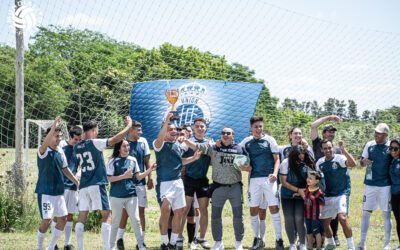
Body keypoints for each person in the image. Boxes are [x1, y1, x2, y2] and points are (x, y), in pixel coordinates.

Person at [184, 126, 252, 250]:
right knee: (215, 217)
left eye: (228, 133)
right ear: (221, 135)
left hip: (235, 187)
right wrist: (185, 140)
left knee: (238, 216)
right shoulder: (213, 147)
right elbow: (196, 147)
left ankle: (238, 242)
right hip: (218, 187)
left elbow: (249, 166)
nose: (225, 135)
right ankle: (218, 242)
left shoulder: (239, 149)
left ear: (233, 136)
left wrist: (246, 168)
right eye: (223, 133)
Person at [74, 116, 133, 250]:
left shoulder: (77, 147)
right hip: (97, 183)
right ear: (94, 130)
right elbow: (116, 139)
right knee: (106, 216)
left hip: (83, 186)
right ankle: (108, 248)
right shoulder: (95, 143)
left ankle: (80, 247)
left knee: (82, 216)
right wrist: (128, 126)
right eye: (97, 130)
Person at [153, 112, 201, 250]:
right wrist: (167, 120)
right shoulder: (159, 144)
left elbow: (180, 162)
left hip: (178, 183)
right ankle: (163, 243)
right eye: (170, 129)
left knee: (179, 212)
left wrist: (194, 158)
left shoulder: (177, 146)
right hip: (164, 183)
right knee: (166, 211)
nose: (173, 131)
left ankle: (173, 243)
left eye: (174, 129)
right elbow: (160, 138)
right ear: (164, 131)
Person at [238, 116, 283, 250]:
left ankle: (279, 239)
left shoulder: (270, 140)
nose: (258, 129)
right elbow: (237, 154)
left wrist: (275, 173)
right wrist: (245, 167)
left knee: (274, 208)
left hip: (269, 179)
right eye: (256, 127)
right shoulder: (246, 142)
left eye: (260, 126)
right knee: (253, 210)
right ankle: (257, 239)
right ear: (251, 128)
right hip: (254, 180)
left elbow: (277, 159)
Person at [35, 116, 79, 250]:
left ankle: (51, 247)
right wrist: (53, 126)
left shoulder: (61, 151)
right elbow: (44, 144)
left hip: (59, 192)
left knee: (63, 219)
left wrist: (76, 181)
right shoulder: (43, 150)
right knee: (47, 221)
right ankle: (39, 246)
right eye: (56, 136)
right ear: (50, 136)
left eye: (60, 136)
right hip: (46, 191)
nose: (59, 138)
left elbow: (65, 169)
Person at [107, 139, 156, 250]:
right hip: (116, 196)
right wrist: (123, 176)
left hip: (131, 195)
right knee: (115, 222)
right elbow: (109, 178)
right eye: (124, 146)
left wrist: (150, 170)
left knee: (136, 219)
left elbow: (138, 177)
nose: (127, 148)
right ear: (119, 148)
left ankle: (140, 245)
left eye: (128, 146)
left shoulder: (133, 160)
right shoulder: (113, 161)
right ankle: (111, 247)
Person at [116, 121, 153, 250]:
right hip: (126, 183)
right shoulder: (123, 143)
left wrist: (150, 178)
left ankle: (141, 242)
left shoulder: (143, 142)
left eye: (141, 130)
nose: (141, 132)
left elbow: (148, 160)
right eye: (138, 130)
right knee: (125, 212)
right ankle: (119, 239)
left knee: (141, 212)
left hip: (140, 182)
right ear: (130, 130)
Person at [356, 123, 392, 250]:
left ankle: (387, 244)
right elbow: (361, 161)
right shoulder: (369, 144)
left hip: (385, 185)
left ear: (386, 135)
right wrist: (363, 162)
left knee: (386, 213)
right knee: (366, 212)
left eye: (379, 133)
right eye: (375, 132)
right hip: (370, 184)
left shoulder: (391, 146)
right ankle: (362, 243)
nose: (375, 135)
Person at [178, 118, 212, 249]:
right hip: (189, 179)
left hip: (202, 180)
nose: (200, 128)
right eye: (197, 126)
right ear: (194, 128)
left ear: (205, 128)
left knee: (204, 209)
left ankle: (202, 238)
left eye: (202, 126)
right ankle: (179, 237)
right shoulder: (187, 143)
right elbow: (178, 159)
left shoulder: (209, 143)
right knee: (185, 209)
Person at [317, 139, 356, 250]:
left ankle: (351, 246)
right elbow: (316, 179)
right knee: (324, 221)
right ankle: (331, 243)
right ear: (321, 150)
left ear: (333, 148)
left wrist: (344, 150)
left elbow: (353, 164)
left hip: (342, 193)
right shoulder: (320, 163)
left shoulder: (340, 158)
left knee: (342, 218)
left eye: (329, 147)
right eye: (325, 148)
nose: (328, 150)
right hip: (328, 195)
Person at [310, 115, 343, 246]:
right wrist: (329, 118)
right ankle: (319, 236)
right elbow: (313, 126)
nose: (331, 134)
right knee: (318, 211)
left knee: (334, 212)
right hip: (319, 183)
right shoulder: (317, 143)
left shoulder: (337, 149)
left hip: (333, 184)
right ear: (323, 133)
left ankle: (334, 235)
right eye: (328, 131)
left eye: (333, 132)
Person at [280, 145, 315, 250]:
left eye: (302, 159)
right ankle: (292, 243)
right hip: (287, 194)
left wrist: (302, 192)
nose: (300, 161)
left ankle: (303, 242)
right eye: (298, 159)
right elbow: (283, 182)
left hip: (302, 194)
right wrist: (297, 190)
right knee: (289, 218)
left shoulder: (307, 163)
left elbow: (312, 180)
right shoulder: (285, 163)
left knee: (299, 218)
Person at [53, 126, 82, 250]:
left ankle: (67, 243)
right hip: (60, 186)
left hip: (72, 186)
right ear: (70, 137)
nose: (78, 142)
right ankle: (53, 243)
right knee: (58, 216)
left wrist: (77, 176)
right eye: (76, 139)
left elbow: (83, 166)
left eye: (79, 139)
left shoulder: (80, 149)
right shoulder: (61, 147)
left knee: (70, 215)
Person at [303, 171, 325, 250]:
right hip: (307, 215)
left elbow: (321, 204)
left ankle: (319, 247)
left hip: (315, 216)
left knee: (316, 232)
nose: (308, 180)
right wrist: (298, 194)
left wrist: (320, 213)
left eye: (311, 178)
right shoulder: (307, 188)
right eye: (308, 178)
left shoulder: (319, 192)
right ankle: (310, 247)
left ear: (317, 181)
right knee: (309, 232)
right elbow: (305, 194)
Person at [389, 138, 400, 250]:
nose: (392, 150)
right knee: (398, 220)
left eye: (396, 148)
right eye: (391, 148)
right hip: (394, 194)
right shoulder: (392, 161)